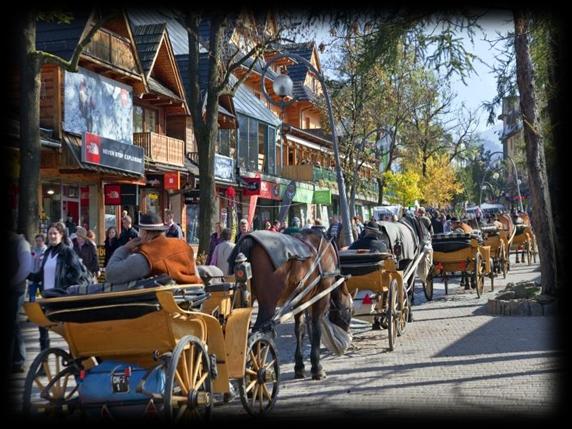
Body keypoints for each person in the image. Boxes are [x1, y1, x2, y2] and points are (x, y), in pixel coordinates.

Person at [105, 212, 201, 285]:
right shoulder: (183, 245)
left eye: (140, 231)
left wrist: (125, 248)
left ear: (145, 234)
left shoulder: (146, 256)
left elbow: (111, 274)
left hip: (163, 306)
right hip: (193, 296)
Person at [28, 222, 92, 293]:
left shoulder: (67, 251)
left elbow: (77, 272)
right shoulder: (47, 252)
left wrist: (63, 284)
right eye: (50, 233)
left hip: (60, 296)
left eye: (55, 233)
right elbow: (41, 275)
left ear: (61, 235)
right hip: (47, 295)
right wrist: (26, 274)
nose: (52, 236)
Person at [9, 232, 32, 373]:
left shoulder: (21, 243)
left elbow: (25, 268)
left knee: (13, 322)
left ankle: (18, 359)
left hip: (16, 289)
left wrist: (12, 282)